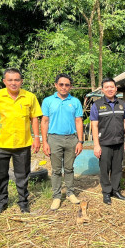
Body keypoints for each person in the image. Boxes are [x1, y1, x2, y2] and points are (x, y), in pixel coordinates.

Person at [0, 68, 43, 215]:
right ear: (4, 81)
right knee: (0, 175)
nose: (13, 83)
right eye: (10, 80)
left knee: (22, 176)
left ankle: (23, 203)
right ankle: (1, 203)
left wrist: (37, 138)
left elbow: (34, 118)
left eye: (16, 80)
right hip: (0, 144)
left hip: (22, 144)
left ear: (21, 81)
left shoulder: (29, 97)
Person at [41, 73, 84, 210]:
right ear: (56, 85)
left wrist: (80, 141)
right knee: (56, 169)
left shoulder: (75, 101)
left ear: (70, 87)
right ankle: (57, 196)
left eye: (67, 85)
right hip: (54, 138)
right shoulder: (48, 101)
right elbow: (45, 121)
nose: (64, 87)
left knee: (70, 168)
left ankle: (70, 192)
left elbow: (78, 121)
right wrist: (45, 142)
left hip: (71, 139)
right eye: (61, 84)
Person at [90, 78, 125, 205]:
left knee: (117, 168)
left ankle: (115, 190)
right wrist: (96, 145)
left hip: (119, 142)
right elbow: (94, 126)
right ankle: (106, 192)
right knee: (104, 169)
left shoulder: (122, 104)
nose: (109, 89)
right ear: (102, 90)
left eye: (112, 87)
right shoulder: (97, 105)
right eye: (106, 87)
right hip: (104, 143)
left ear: (116, 89)